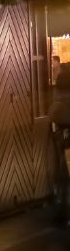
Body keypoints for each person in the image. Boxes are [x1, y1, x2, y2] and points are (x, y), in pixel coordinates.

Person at [49, 61, 70, 225]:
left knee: (62, 177)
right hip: (66, 137)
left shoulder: (57, 97)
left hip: (60, 138)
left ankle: (61, 211)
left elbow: (53, 116)